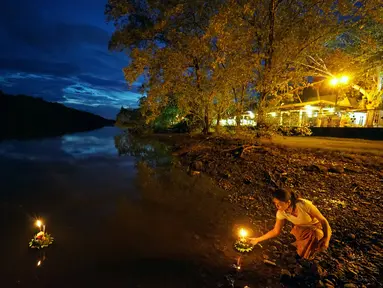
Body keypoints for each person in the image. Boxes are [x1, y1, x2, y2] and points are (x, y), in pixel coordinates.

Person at [249, 188, 332, 259]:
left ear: (288, 202)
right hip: (301, 228)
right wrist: (257, 239)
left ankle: (307, 254)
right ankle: (301, 246)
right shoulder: (281, 213)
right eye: (275, 203)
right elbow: (276, 231)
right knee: (305, 244)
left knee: (315, 236)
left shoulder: (303, 205)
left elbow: (323, 220)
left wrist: (326, 238)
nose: (277, 206)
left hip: (318, 227)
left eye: (279, 204)